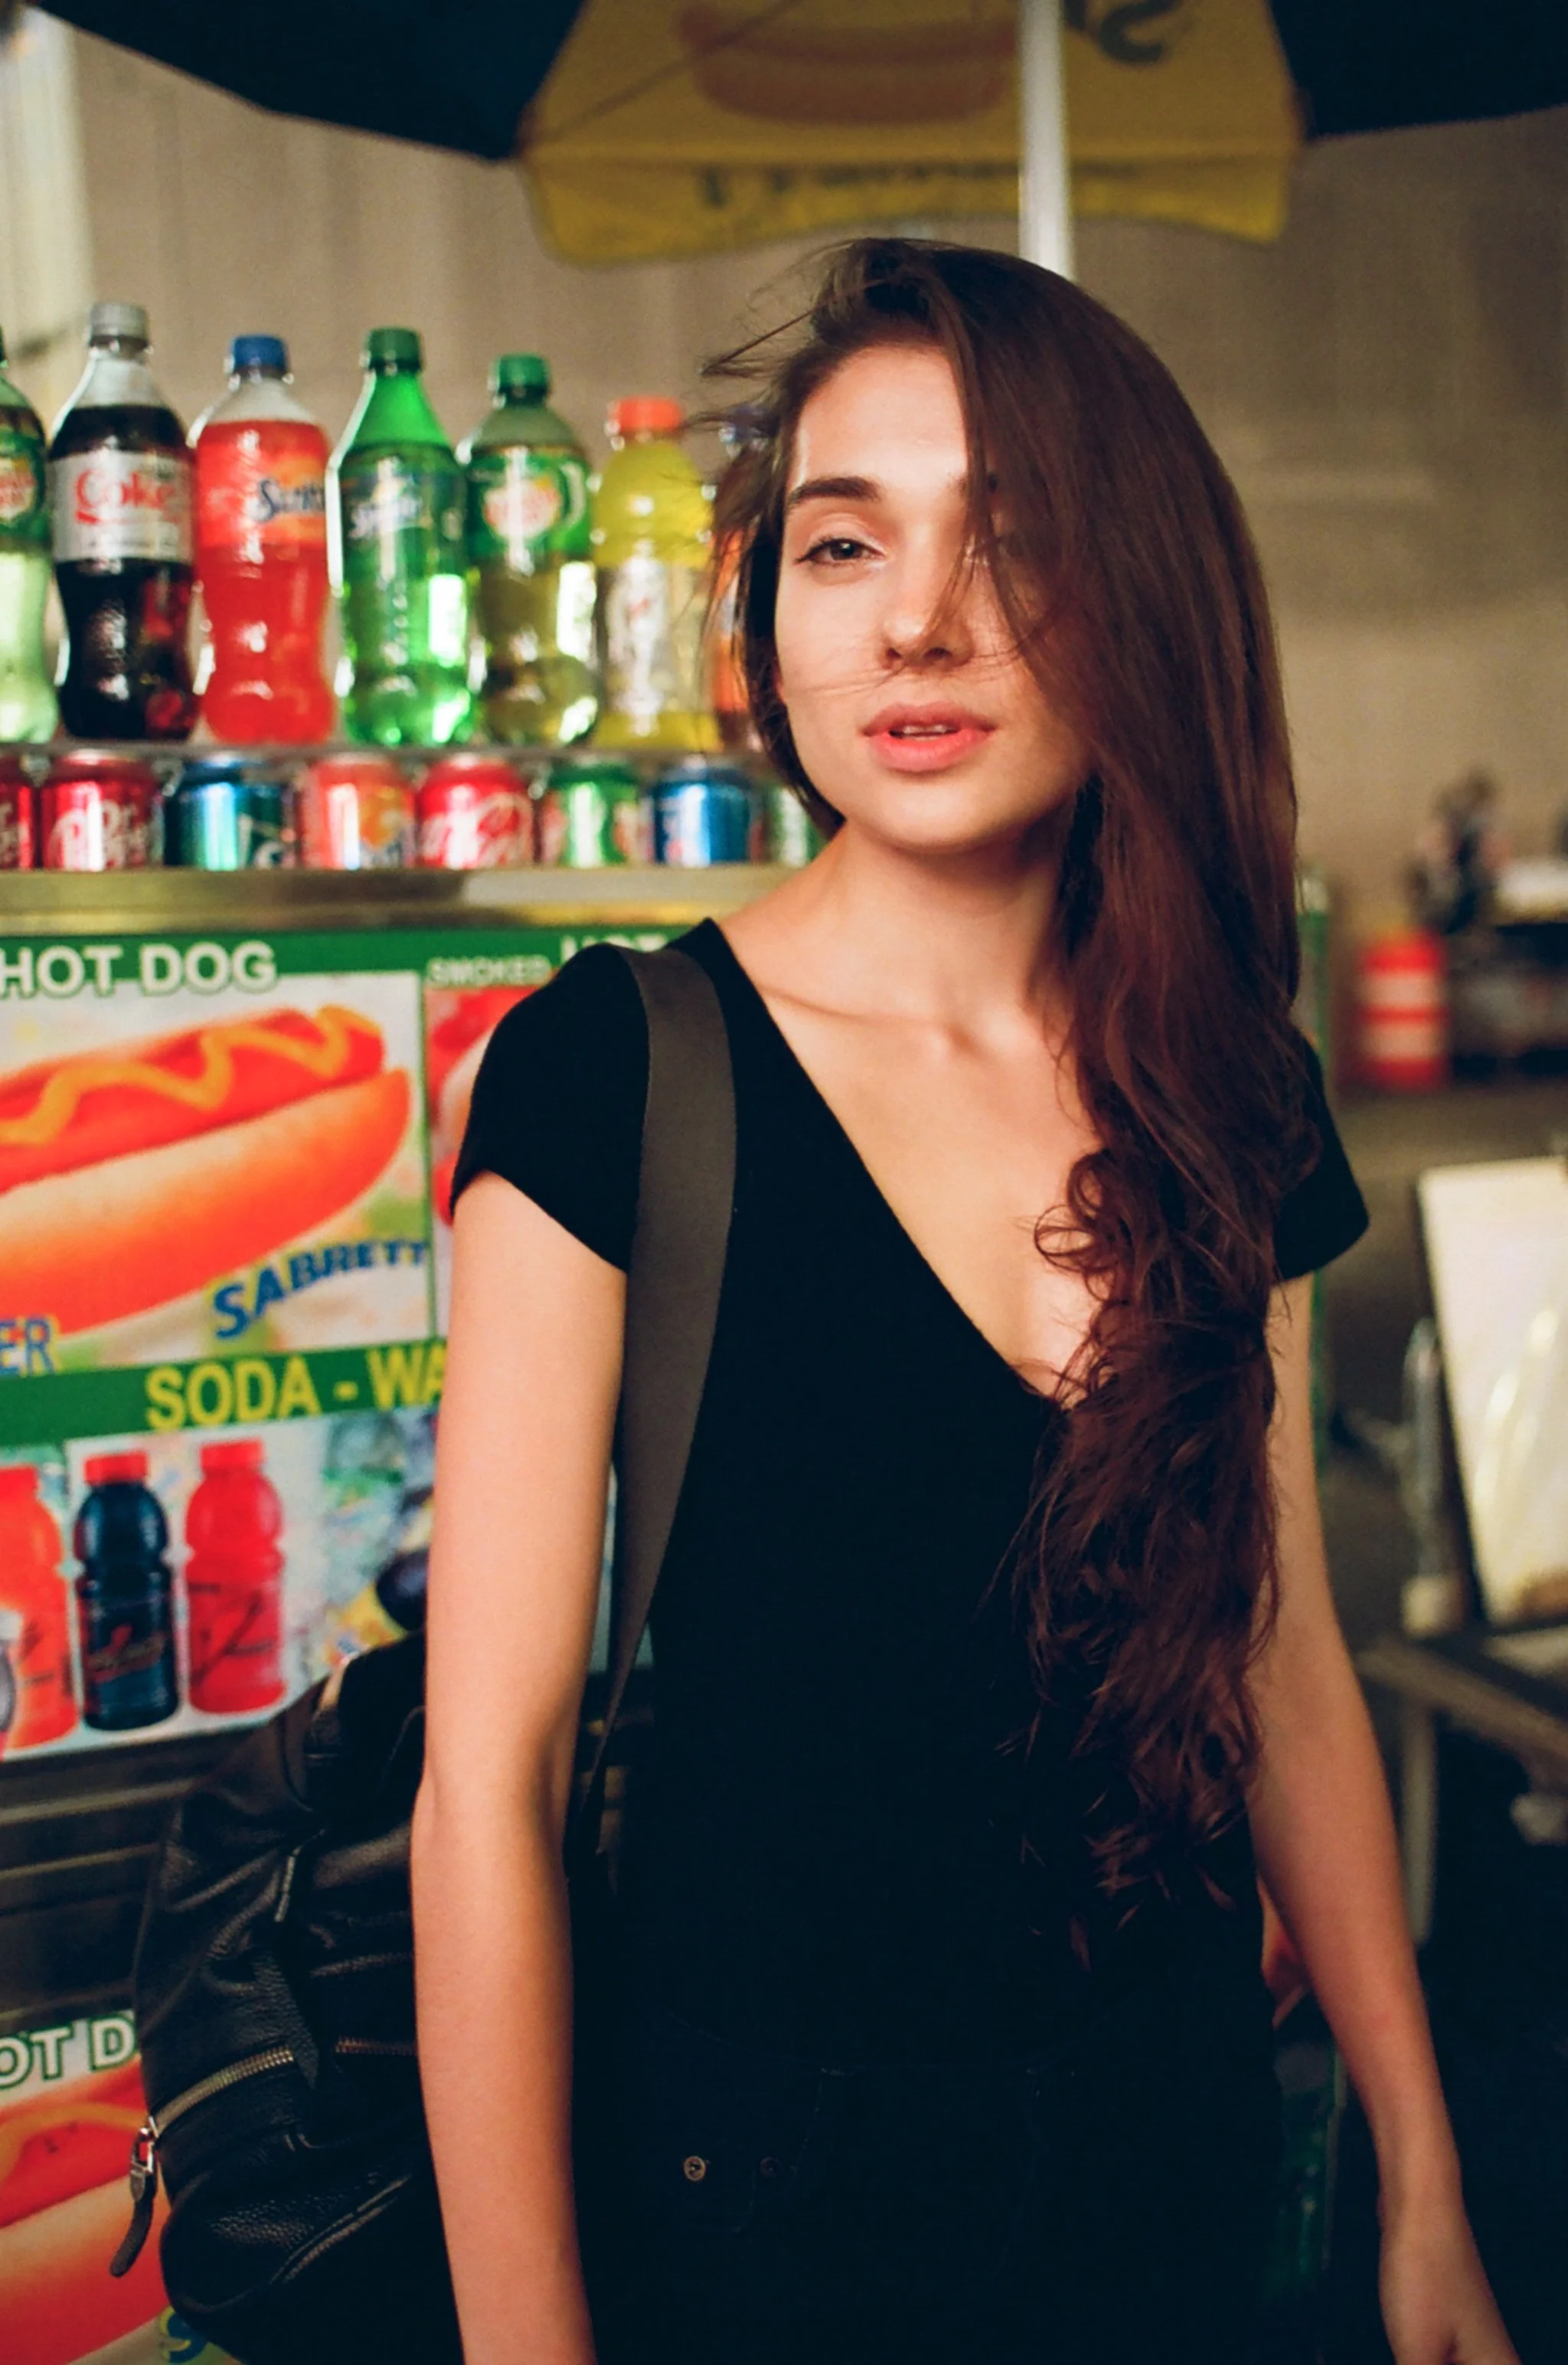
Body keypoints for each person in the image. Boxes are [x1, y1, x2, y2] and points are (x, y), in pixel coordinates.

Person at [412, 240, 1515, 2364]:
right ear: (769, 625)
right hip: (760, 2188)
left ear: (1145, 601)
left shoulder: (1224, 1073)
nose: (915, 621)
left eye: (1009, 546)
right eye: (843, 545)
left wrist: (1423, 2169)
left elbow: (1279, 1666)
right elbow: (495, 1778)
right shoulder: (613, 1070)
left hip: (1170, 2152)